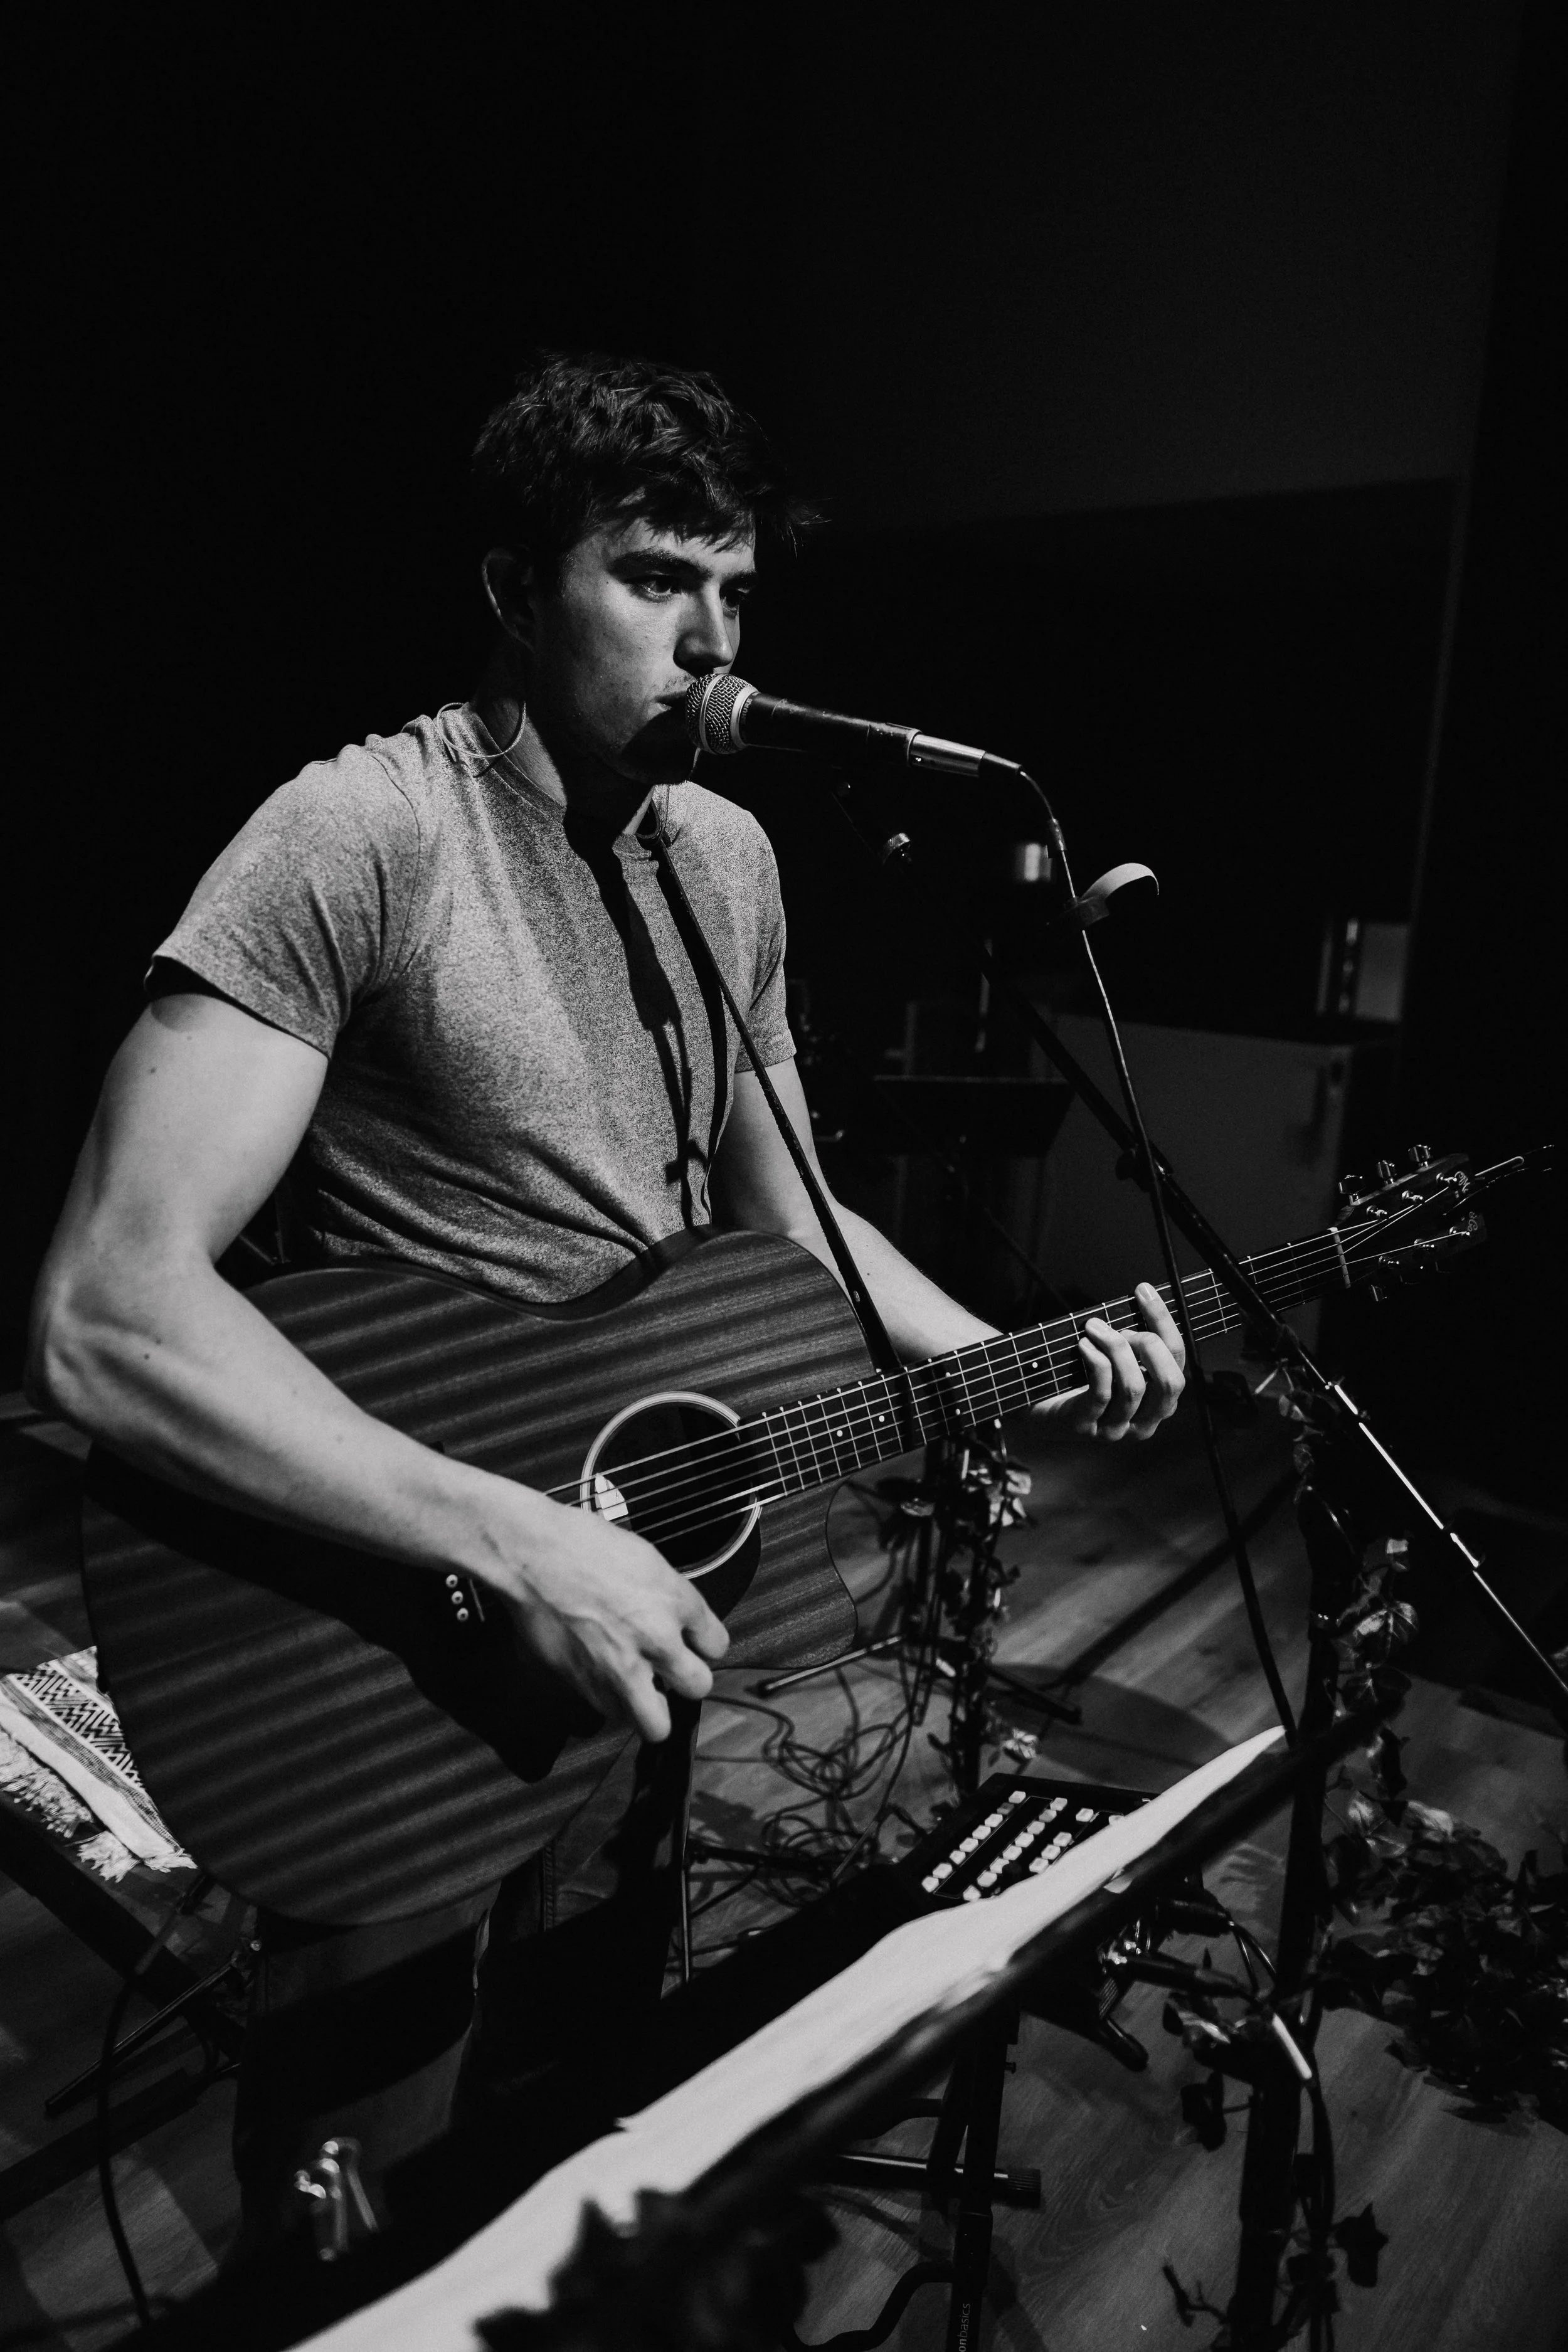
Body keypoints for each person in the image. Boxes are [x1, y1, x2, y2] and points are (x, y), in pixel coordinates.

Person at [26, 352, 1185, 2244]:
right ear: (511, 586)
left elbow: (794, 1217)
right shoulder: (362, 831)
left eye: (735, 591)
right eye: (653, 579)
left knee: (567, 2134)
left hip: (639, 1573)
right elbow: (106, 1309)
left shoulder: (724, 858)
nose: (709, 642)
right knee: (358, 2194)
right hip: (397, 1614)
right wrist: (517, 1537)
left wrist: (1003, 1358)